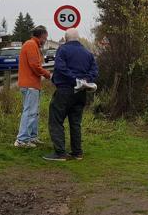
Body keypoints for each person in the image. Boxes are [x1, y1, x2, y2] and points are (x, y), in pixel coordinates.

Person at [44, 28, 98, 161]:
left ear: (66, 38)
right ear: (78, 38)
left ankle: (60, 153)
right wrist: (85, 80)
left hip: (64, 90)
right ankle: (77, 152)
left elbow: (61, 68)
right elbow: (95, 70)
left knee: (56, 120)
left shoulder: (62, 50)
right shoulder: (88, 53)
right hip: (81, 92)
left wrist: (75, 79)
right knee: (75, 122)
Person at [14, 25, 51, 148]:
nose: (45, 41)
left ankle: (32, 137)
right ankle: (22, 140)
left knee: (33, 112)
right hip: (30, 84)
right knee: (30, 112)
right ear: (40, 36)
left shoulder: (33, 45)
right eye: (45, 38)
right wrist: (47, 74)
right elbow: (35, 65)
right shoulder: (31, 45)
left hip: (32, 84)